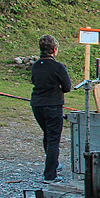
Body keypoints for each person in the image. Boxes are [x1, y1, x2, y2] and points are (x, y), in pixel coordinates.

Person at [31, 34, 72, 183]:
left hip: (37, 104)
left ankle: (53, 163)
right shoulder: (58, 67)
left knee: (47, 135)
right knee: (54, 138)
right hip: (53, 104)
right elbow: (67, 87)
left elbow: (34, 80)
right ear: (55, 50)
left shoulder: (35, 65)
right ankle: (50, 174)